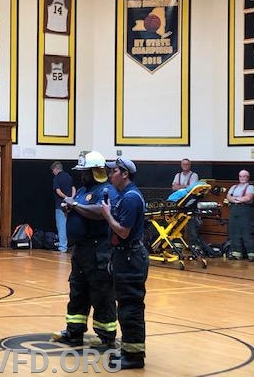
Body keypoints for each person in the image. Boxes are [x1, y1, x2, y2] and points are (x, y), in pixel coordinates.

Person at [52, 151, 118, 350]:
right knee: (77, 290)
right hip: (81, 250)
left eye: (85, 172)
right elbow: (77, 205)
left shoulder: (107, 190)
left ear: (95, 171)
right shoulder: (82, 190)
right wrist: (69, 208)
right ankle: (74, 331)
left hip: (99, 250)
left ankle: (105, 335)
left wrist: (76, 205)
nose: (82, 175)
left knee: (101, 292)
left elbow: (101, 212)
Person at [101, 157, 148, 370]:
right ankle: (130, 351)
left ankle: (134, 357)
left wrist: (107, 215)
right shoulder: (124, 196)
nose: (110, 175)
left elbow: (123, 231)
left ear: (125, 174)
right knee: (127, 308)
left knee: (130, 308)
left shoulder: (130, 198)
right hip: (125, 257)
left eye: (114, 172)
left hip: (131, 258)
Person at [226, 170, 254, 262]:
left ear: (248, 177)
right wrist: (237, 200)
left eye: (244, 176)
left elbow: (248, 197)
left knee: (247, 232)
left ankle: (252, 254)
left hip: (246, 211)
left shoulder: (250, 187)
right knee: (234, 232)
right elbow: (228, 196)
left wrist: (236, 199)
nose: (242, 178)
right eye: (240, 176)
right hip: (234, 210)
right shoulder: (234, 187)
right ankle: (237, 254)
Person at [51, 161, 76, 253]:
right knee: (69, 225)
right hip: (70, 205)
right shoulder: (69, 176)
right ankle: (70, 245)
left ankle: (62, 247)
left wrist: (65, 197)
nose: (53, 172)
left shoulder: (56, 178)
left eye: (53, 170)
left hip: (60, 204)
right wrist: (71, 198)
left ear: (56, 169)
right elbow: (73, 188)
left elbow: (58, 191)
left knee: (61, 226)